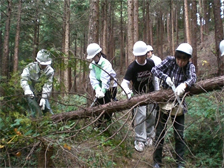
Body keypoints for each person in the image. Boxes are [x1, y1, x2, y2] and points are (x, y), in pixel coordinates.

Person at [151, 43, 197, 168]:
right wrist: (165, 78)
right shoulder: (170, 61)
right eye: (179, 58)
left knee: (179, 135)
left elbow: (193, 77)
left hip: (179, 103)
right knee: (160, 133)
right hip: (164, 102)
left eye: (184, 59)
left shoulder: (190, 66)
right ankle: (157, 161)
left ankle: (180, 162)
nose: (180, 62)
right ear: (175, 56)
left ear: (188, 59)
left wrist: (185, 85)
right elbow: (154, 70)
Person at [121, 41, 159, 152]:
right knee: (140, 116)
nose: (141, 58)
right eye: (138, 56)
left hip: (151, 93)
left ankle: (150, 136)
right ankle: (140, 140)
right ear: (135, 55)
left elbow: (155, 78)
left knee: (152, 115)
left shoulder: (151, 63)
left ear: (146, 54)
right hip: (138, 95)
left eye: (142, 56)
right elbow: (124, 83)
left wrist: (157, 92)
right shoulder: (132, 67)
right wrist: (128, 93)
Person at [87, 43, 117, 129]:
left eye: (94, 56)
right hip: (100, 87)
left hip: (110, 87)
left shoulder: (105, 64)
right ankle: (98, 125)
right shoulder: (92, 65)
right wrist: (97, 89)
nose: (93, 58)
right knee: (98, 106)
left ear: (98, 54)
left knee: (107, 106)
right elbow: (92, 78)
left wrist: (103, 90)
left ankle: (107, 126)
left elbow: (105, 78)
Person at [21, 49, 54, 117]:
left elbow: (48, 84)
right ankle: (37, 122)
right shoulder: (30, 67)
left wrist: (44, 97)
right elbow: (24, 78)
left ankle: (53, 124)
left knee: (47, 110)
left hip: (41, 92)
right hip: (30, 92)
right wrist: (27, 89)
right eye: (42, 64)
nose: (44, 66)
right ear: (38, 61)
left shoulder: (50, 71)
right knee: (35, 109)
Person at [146, 45, 162, 145]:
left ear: (152, 51)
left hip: (157, 87)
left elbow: (159, 74)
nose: (148, 54)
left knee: (154, 112)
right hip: (146, 89)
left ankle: (153, 134)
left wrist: (158, 90)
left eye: (149, 52)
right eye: (146, 52)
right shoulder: (144, 61)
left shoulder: (157, 60)